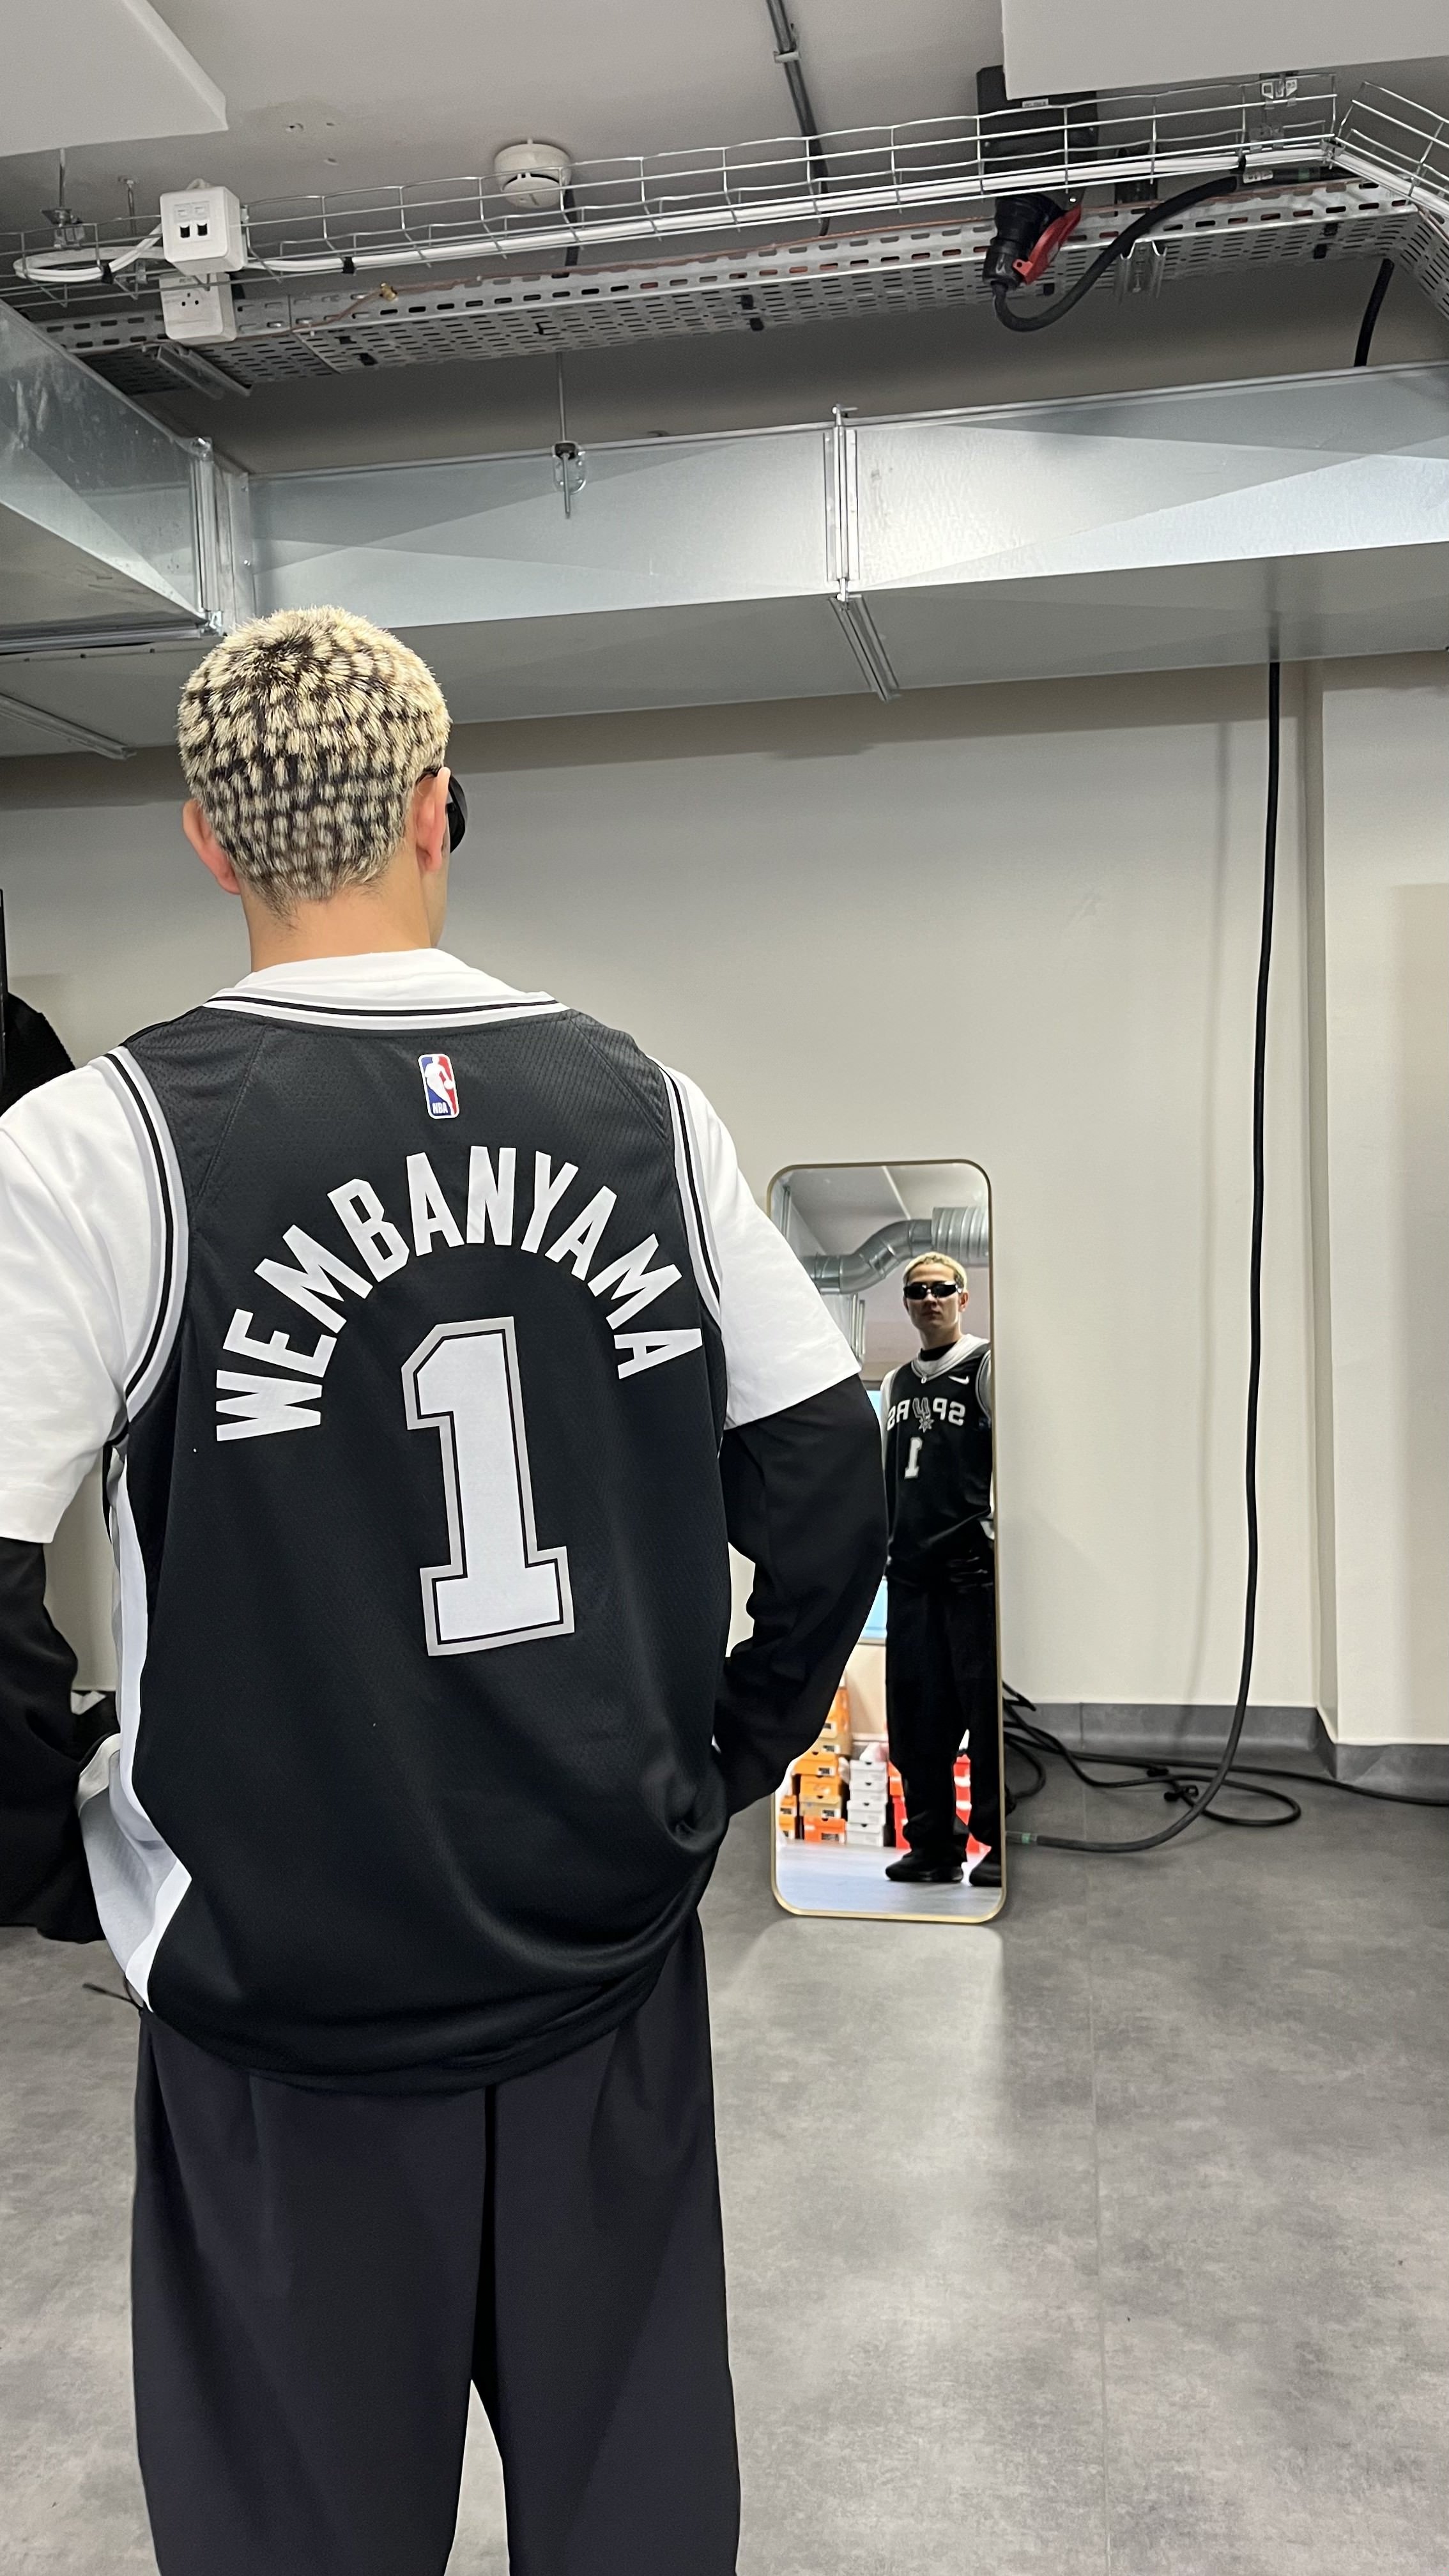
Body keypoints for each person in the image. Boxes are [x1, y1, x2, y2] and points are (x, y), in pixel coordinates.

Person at [0, 607, 886, 2576]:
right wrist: (721, 1764)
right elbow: (830, 1480)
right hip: (598, 1958)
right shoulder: (642, 1103)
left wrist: (62, 1864)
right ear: (435, 806)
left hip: (284, 2002)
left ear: (206, 838)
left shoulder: (97, 1149)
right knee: (636, 2516)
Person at [879, 1252, 1002, 1890]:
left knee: (985, 1716)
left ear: (963, 1298)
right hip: (910, 1574)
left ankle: (998, 1844)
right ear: (906, 1304)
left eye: (942, 1289)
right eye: (918, 1291)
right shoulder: (894, 1384)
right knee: (915, 1718)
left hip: (969, 1573)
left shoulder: (986, 1367)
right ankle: (933, 1845)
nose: (930, 1299)